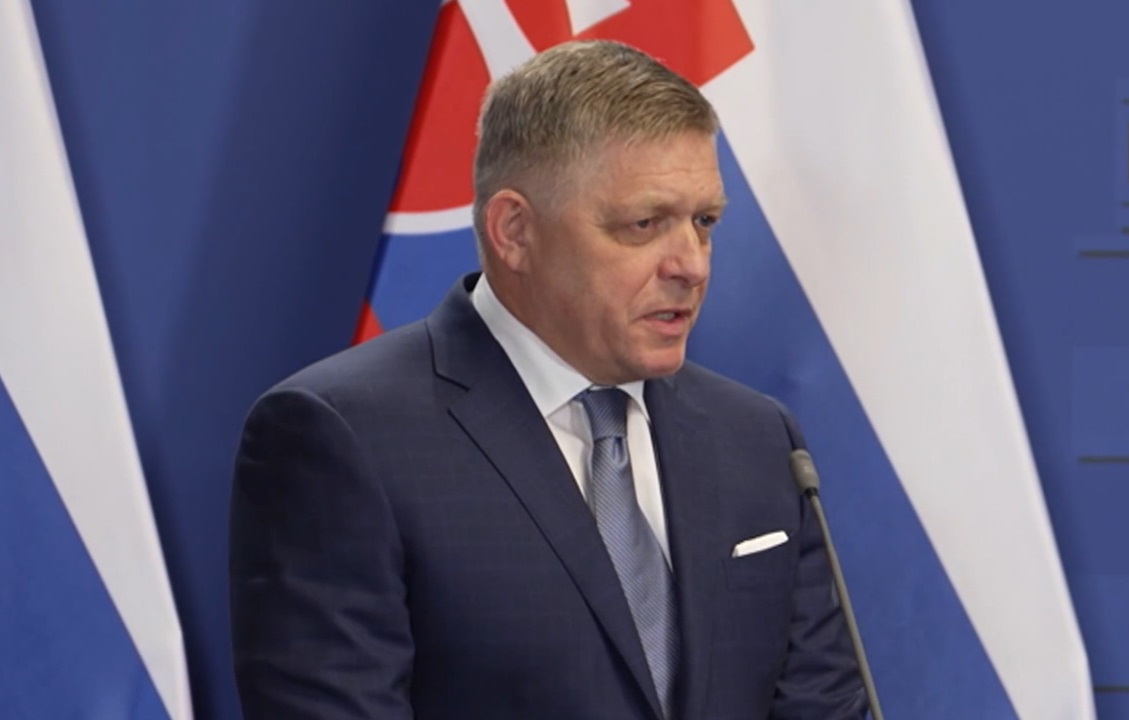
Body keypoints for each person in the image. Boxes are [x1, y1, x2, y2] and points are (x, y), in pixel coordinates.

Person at [229, 39, 868, 719]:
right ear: (515, 231)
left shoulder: (758, 439)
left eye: (703, 222)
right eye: (644, 223)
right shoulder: (343, 438)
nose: (692, 264)